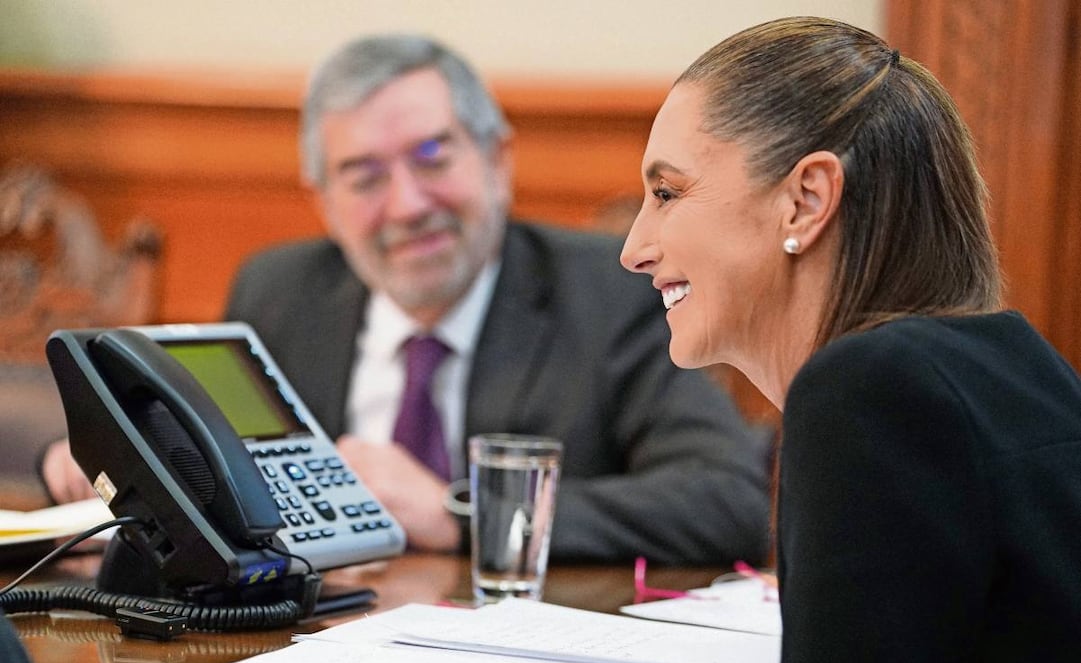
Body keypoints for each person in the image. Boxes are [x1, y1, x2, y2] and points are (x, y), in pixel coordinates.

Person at [41, 34, 773, 566]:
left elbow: (723, 501)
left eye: (432, 158)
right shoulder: (278, 289)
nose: (406, 206)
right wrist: (121, 456)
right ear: (324, 202)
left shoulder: (607, 294)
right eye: (363, 177)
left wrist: (461, 513)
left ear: (497, 159)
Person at [620, 16, 1081, 663]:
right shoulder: (1014, 363)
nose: (632, 250)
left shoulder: (869, 390)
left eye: (666, 192)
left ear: (806, 201)